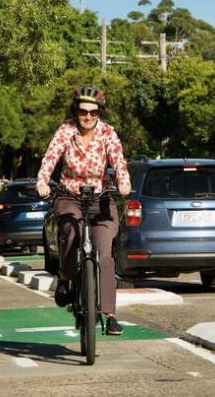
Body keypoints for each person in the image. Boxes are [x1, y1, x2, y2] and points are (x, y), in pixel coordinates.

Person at [36, 85, 131, 336]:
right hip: (69, 196)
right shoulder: (65, 132)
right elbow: (50, 158)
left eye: (93, 112)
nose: (88, 117)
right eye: (83, 111)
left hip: (100, 198)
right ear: (75, 111)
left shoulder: (108, 133)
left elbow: (118, 160)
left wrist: (123, 181)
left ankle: (110, 314)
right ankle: (66, 279)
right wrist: (43, 181)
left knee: (105, 252)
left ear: (99, 113)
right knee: (70, 233)